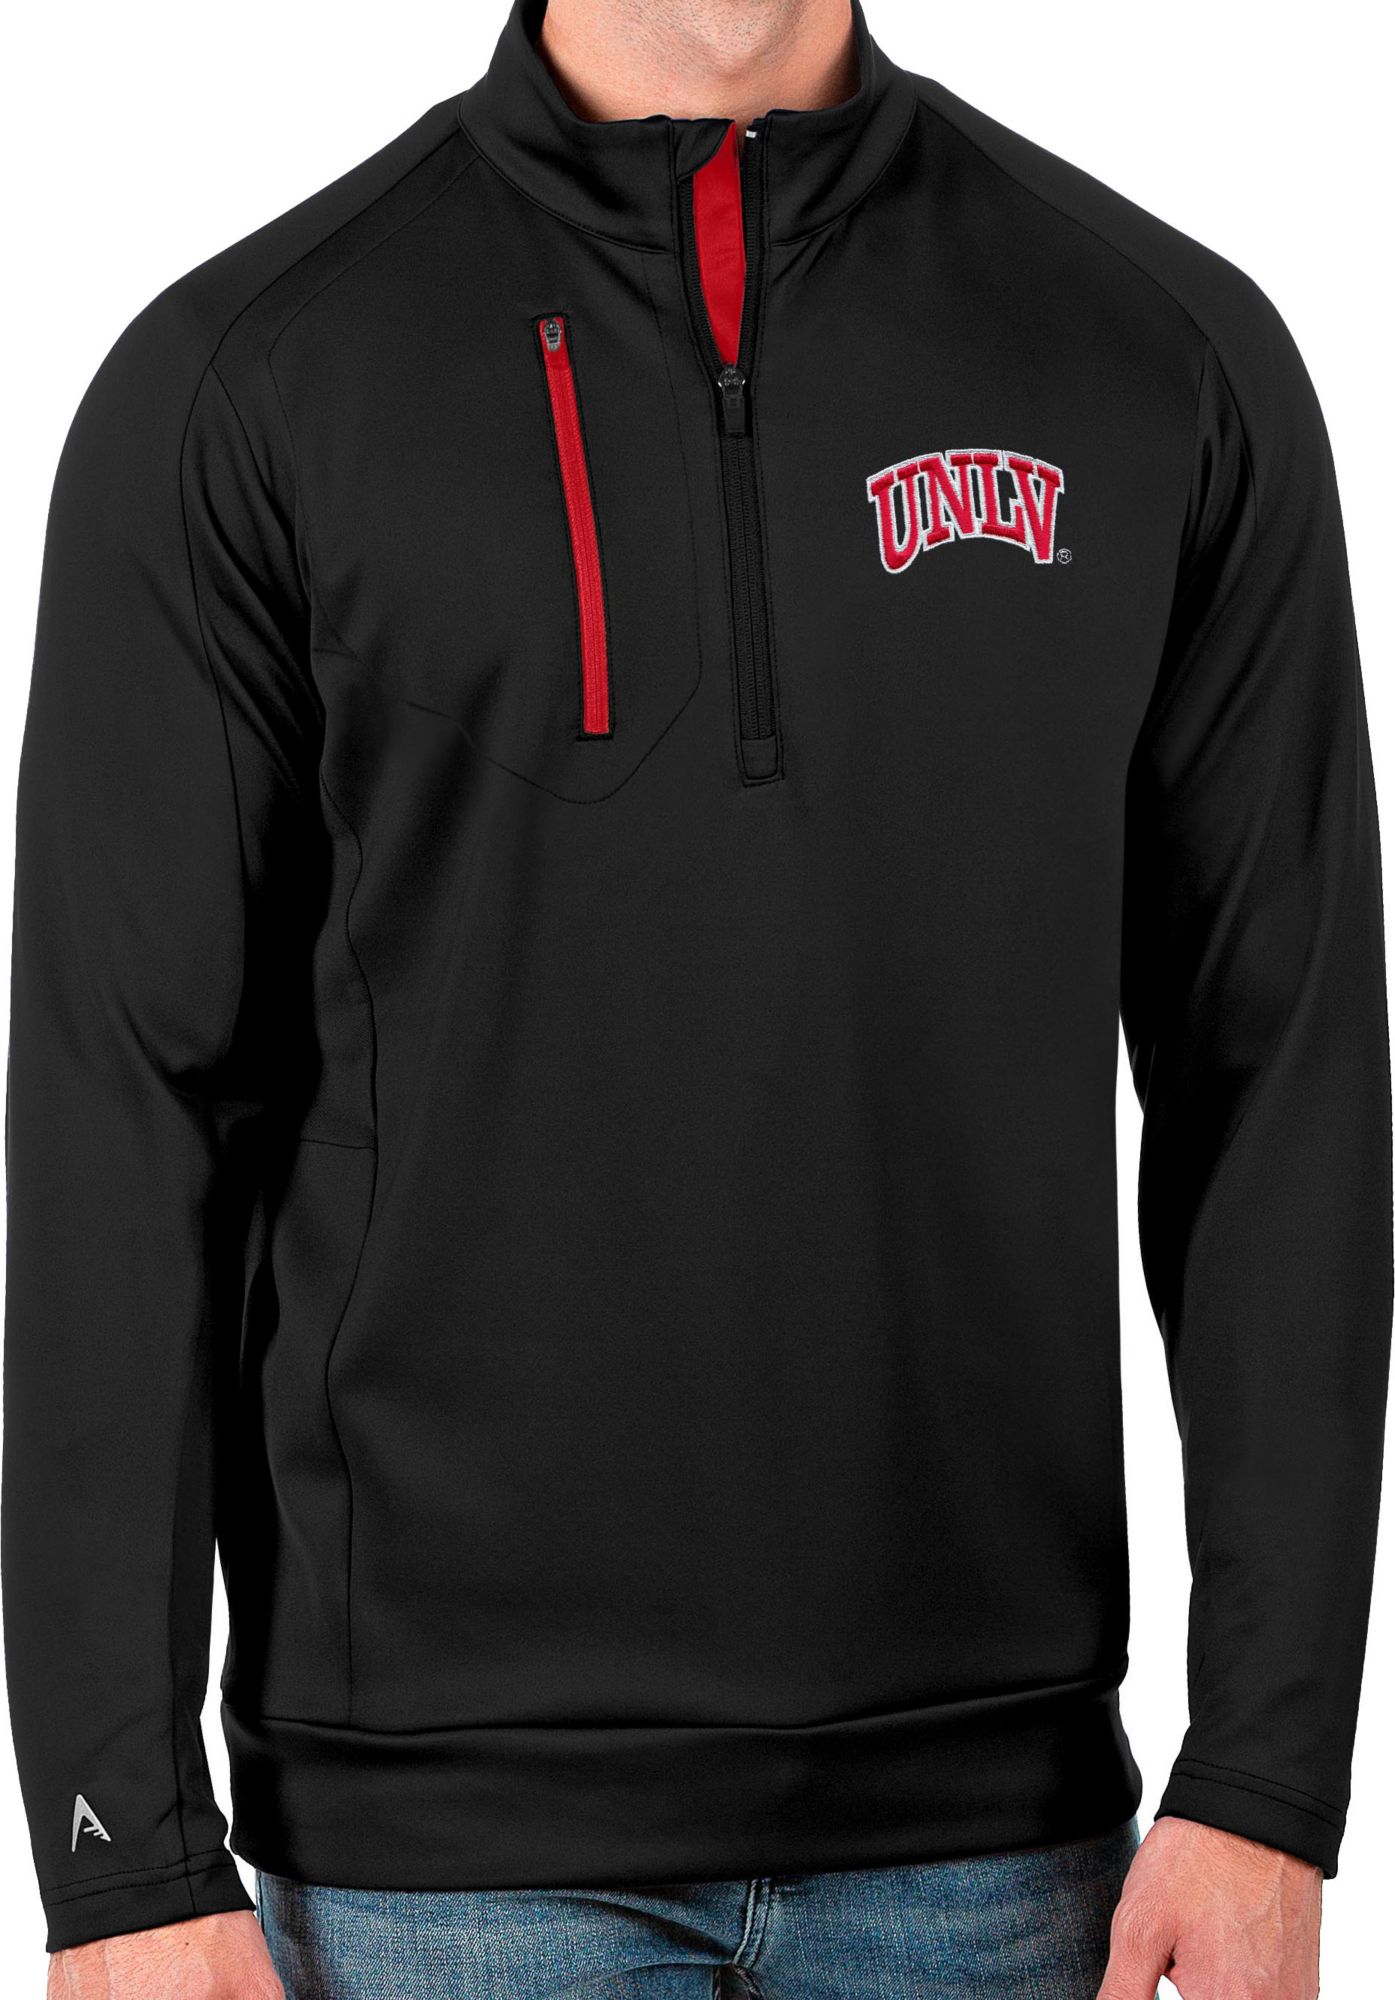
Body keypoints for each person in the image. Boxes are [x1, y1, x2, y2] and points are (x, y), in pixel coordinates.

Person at [7, 0, 1389, 1995]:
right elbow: (119, 1122)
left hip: (997, 1856)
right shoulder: (243, 381)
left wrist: (1268, 1771)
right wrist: (121, 1851)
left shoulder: (1154, 352)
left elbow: (1281, 1076)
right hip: (426, 1881)